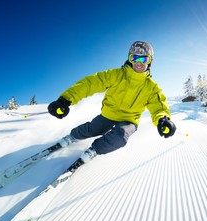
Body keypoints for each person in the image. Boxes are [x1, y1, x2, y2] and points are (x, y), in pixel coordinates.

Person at [47, 41, 176, 163]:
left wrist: (162, 120)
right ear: (130, 59)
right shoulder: (116, 75)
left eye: (144, 59)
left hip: (129, 119)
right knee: (92, 129)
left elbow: (159, 106)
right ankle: (72, 137)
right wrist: (65, 100)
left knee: (120, 137)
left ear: (150, 62)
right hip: (109, 114)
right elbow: (90, 84)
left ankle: (94, 150)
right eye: (134, 58)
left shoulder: (152, 88)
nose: (138, 63)